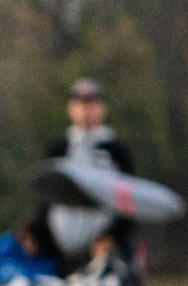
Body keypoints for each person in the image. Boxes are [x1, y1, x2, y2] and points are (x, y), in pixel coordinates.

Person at [42, 79, 135, 264]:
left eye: (91, 105)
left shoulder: (117, 152)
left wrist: (112, 237)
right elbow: (44, 199)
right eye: (81, 105)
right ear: (72, 109)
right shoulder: (58, 150)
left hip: (104, 247)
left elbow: (129, 202)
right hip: (61, 248)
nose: (86, 111)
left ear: (101, 108)